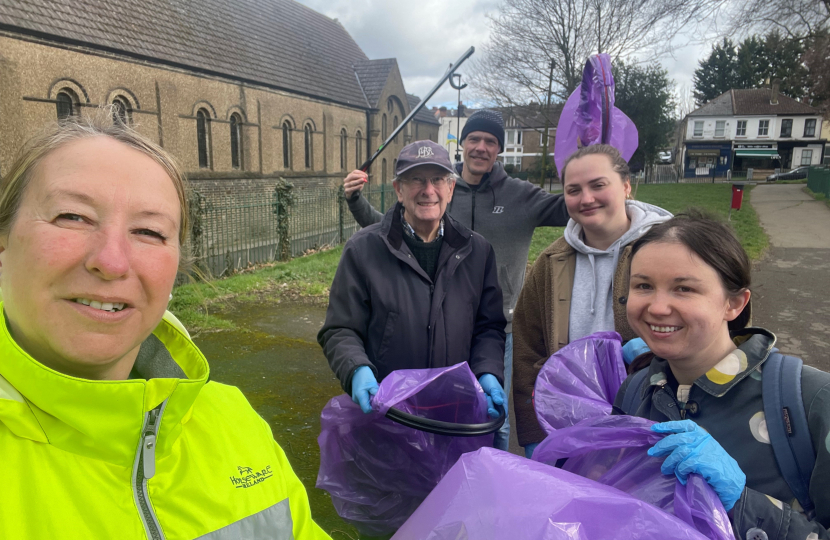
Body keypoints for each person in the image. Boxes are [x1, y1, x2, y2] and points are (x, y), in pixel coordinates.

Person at [0, 112, 330, 539]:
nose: (112, 261)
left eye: (149, 231)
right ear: (4, 244)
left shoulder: (233, 420)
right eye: (72, 217)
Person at [341, 110, 569, 450]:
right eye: (474, 139)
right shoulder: (437, 190)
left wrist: (597, 164)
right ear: (462, 145)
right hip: (426, 326)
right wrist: (355, 200)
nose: (481, 147)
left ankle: (488, 474)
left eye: (490, 141)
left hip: (495, 330)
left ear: (499, 150)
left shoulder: (521, 196)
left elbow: (576, 205)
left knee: (490, 420)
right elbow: (387, 231)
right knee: (416, 428)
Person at [614, 212, 830, 539]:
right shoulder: (634, 393)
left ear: (734, 304)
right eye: (644, 285)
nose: (657, 307)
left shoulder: (809, 400)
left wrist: (741, 502)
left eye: (683, 288)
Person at [318, 140, 507, 421]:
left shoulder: (477, 252)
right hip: (387, 412)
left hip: (455, 411)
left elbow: (488, 328)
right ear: (399, 190)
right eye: (416, 179)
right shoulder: (363, 250)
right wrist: (357, 369)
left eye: (437, 180)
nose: (428, 190)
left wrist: (488, 371)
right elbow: (340, 329)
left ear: (451, 189)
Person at [512, 144, 671, 457]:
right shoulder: (550, 261)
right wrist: (533, 431)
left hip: (652, 423)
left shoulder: (669, 249)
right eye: (573, 190)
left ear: (626, 186)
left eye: (598, 185)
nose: (586, 199)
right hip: (570, 429)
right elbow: (527, 348)